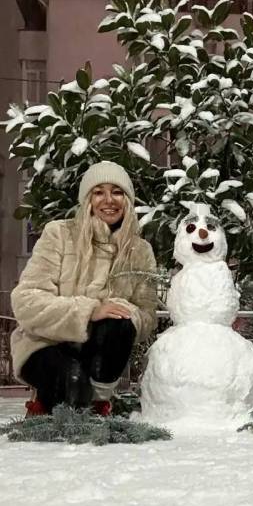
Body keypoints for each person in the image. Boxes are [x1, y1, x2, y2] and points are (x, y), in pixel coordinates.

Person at [11, 161, 157, 417]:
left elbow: (147, 316)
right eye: (99, 192)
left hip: (98, 350)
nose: (109, 200)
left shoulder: (140, 250)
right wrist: (89, 310)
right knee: (73, 379)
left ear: (129, 199)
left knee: (121, 319)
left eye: (117, 192)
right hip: (44, 344)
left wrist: (119, 313)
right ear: (87, 198)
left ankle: (98, 404)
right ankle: (49, 406)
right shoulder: (59, 234)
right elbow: (26, 301)